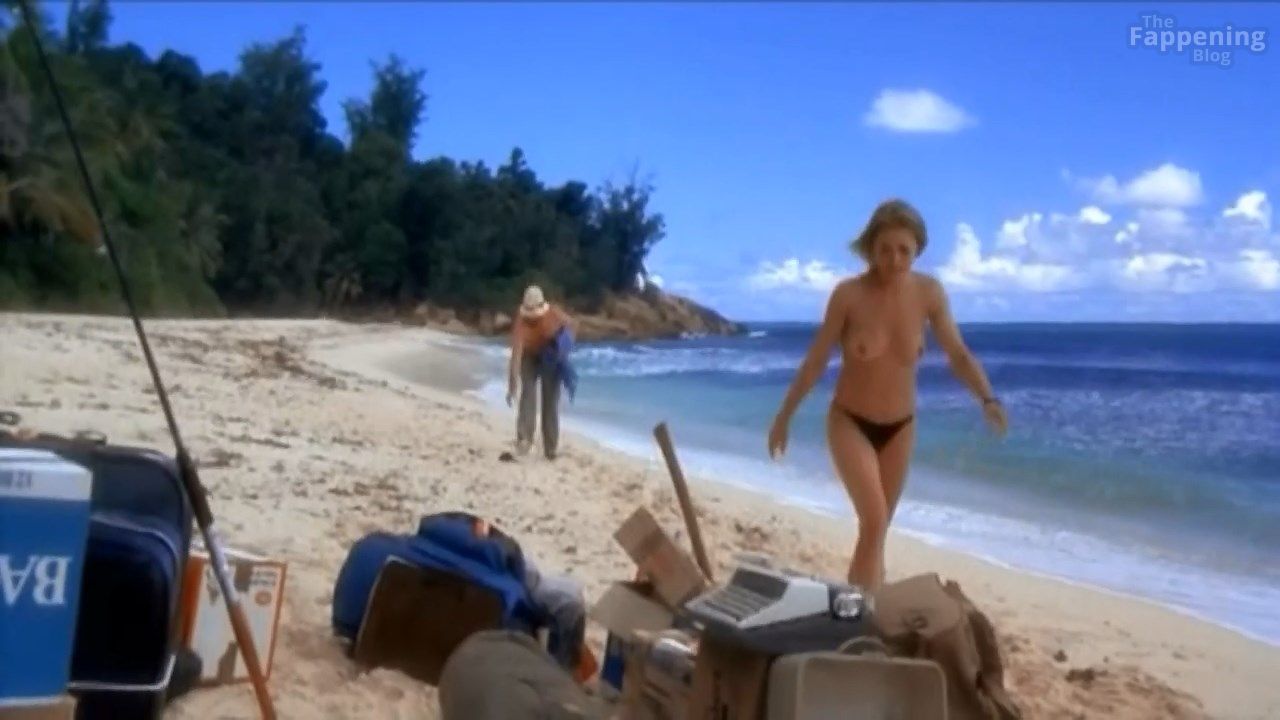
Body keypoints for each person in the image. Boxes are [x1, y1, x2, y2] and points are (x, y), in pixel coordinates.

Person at [767, 198, 1008, 591]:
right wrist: (784, 416)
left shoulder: (929, 293)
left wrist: (988, 399)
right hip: (850, 422)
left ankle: (865, 604)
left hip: (901, 427)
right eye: (885, 250)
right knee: (875, 521)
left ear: (918, 250)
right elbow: (816, 360)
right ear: (871, 249)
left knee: (877, 532)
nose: (894, 260)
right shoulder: (848, 295)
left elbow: (958, 354)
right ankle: (859, 610)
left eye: (904, 251)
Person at [507, 285, 573, 459]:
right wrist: (512, 386)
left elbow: (571, 327)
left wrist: (562, 348)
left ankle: (551, 448)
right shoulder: (521, 322)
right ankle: (524, 439)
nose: (532, 319)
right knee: (528, 394)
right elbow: (516, 355)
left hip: (550, 355)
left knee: (550, 401)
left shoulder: (554, 315)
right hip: (529, 356)